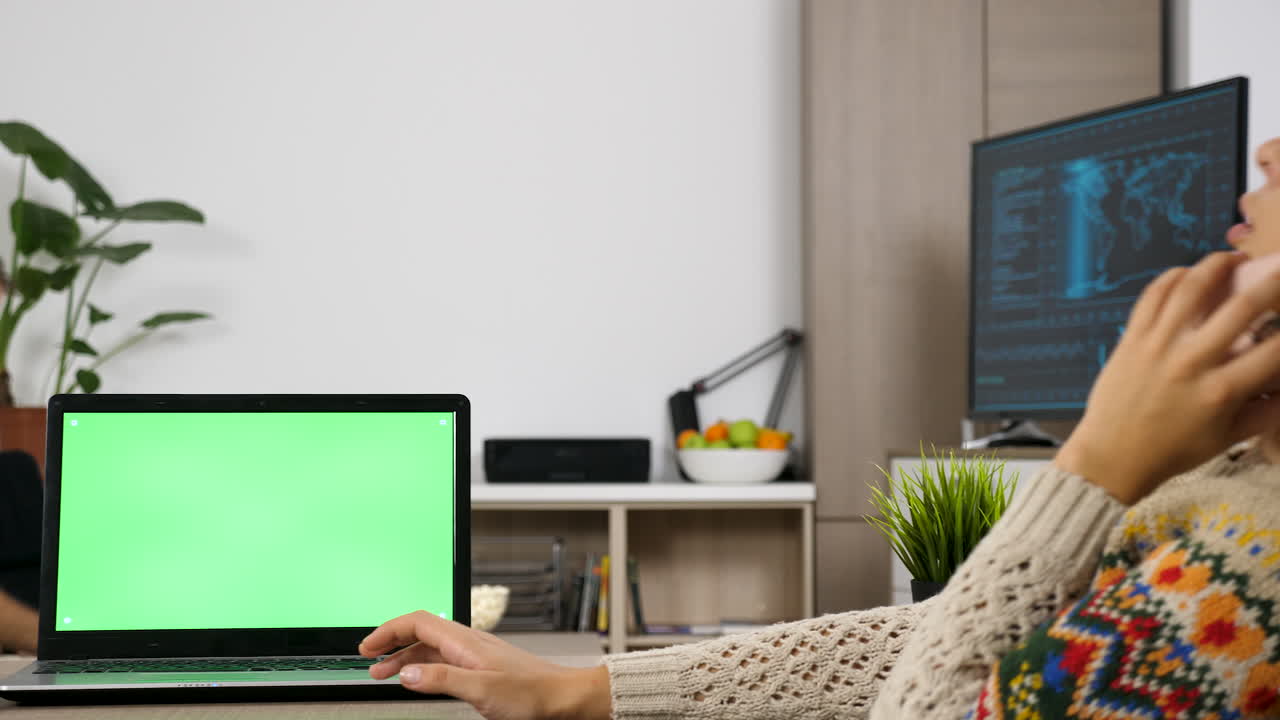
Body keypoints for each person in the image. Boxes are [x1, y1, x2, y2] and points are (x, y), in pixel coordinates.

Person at [358, 139, 1280, 719]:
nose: (1268, 151)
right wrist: (586, 688)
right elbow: (936, 640)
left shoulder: (1251, 569)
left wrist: (1096, 464)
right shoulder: (1233, 479)